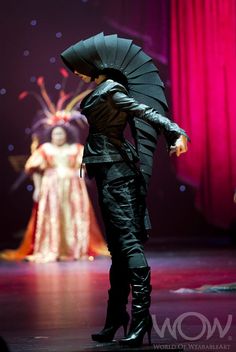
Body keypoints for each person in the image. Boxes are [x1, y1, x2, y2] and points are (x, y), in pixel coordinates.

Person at [60, 33, 189, 347]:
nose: (75, 72)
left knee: (128, 245)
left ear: (95, 64)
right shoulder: (102, 90)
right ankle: (116, 316)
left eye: (78, 66)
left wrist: (174, 130)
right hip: (109, 171)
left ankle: (141, 317)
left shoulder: (112, 90)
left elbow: (145, 112)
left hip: (118, 174)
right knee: (118, 248)